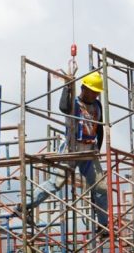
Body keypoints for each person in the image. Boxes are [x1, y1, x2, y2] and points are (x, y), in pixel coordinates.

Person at [20, 71, 108, 234]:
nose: (95, 95)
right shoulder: (73, 103)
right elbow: (63, 107)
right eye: (93, 91)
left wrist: (98, 150)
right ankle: (24, 206)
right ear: (84, 89)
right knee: (55, 183)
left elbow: (100, 129)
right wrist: (67, 86)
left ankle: (104, 226)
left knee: (101, 188)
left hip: (89, 152)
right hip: (71, 150)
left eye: (97, 92)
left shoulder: (97, 106)